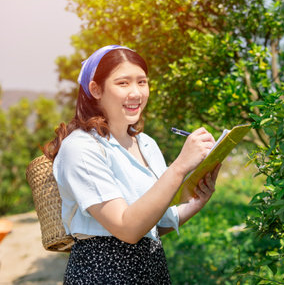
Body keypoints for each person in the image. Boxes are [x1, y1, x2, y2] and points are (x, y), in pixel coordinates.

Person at [43, 45, 221, 284]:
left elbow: (156, 223)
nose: (136, 93)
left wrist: (198, 201)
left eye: (142, 82)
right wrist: (179, 167)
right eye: (123, 83)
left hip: (151, 269)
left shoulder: (146, 144)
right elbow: (127, 228)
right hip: (103, 273)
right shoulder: (81, 148)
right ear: (95, 89)